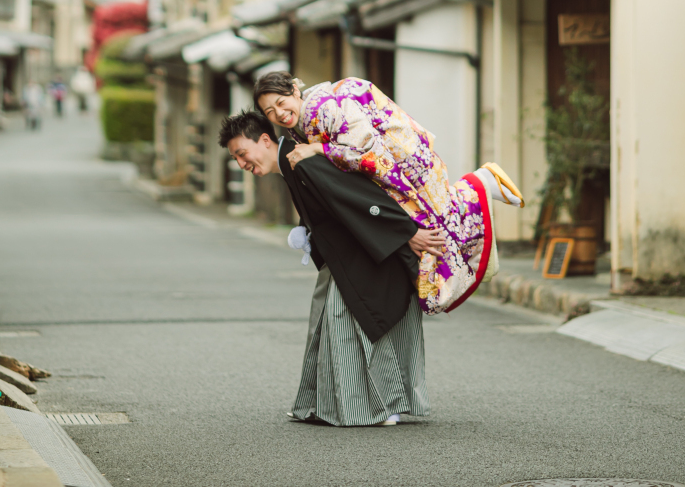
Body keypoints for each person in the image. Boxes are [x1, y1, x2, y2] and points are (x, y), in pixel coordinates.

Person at [220, 109, 444, 428]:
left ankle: (382, 407)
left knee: (350, 326)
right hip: (349, 256)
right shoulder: (293, 164)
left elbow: (360, 198)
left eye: (242, 153)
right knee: (326, 324)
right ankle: (325, 405)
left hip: (368, 255)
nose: (242, 163)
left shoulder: (304, 162)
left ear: (265, 140)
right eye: (237, 159)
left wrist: (408, 232)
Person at [254, 71, 524, 315]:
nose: (279, 113)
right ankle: (480, 189)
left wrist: (318, 150)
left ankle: (479, 185)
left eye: (281, 102)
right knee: (437, 236)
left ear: (295, 91)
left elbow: (366, 150)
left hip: (405, 165)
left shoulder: (323, 109)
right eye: (269, 112)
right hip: (393, 171)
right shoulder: (304, 122)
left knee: (437, 234)